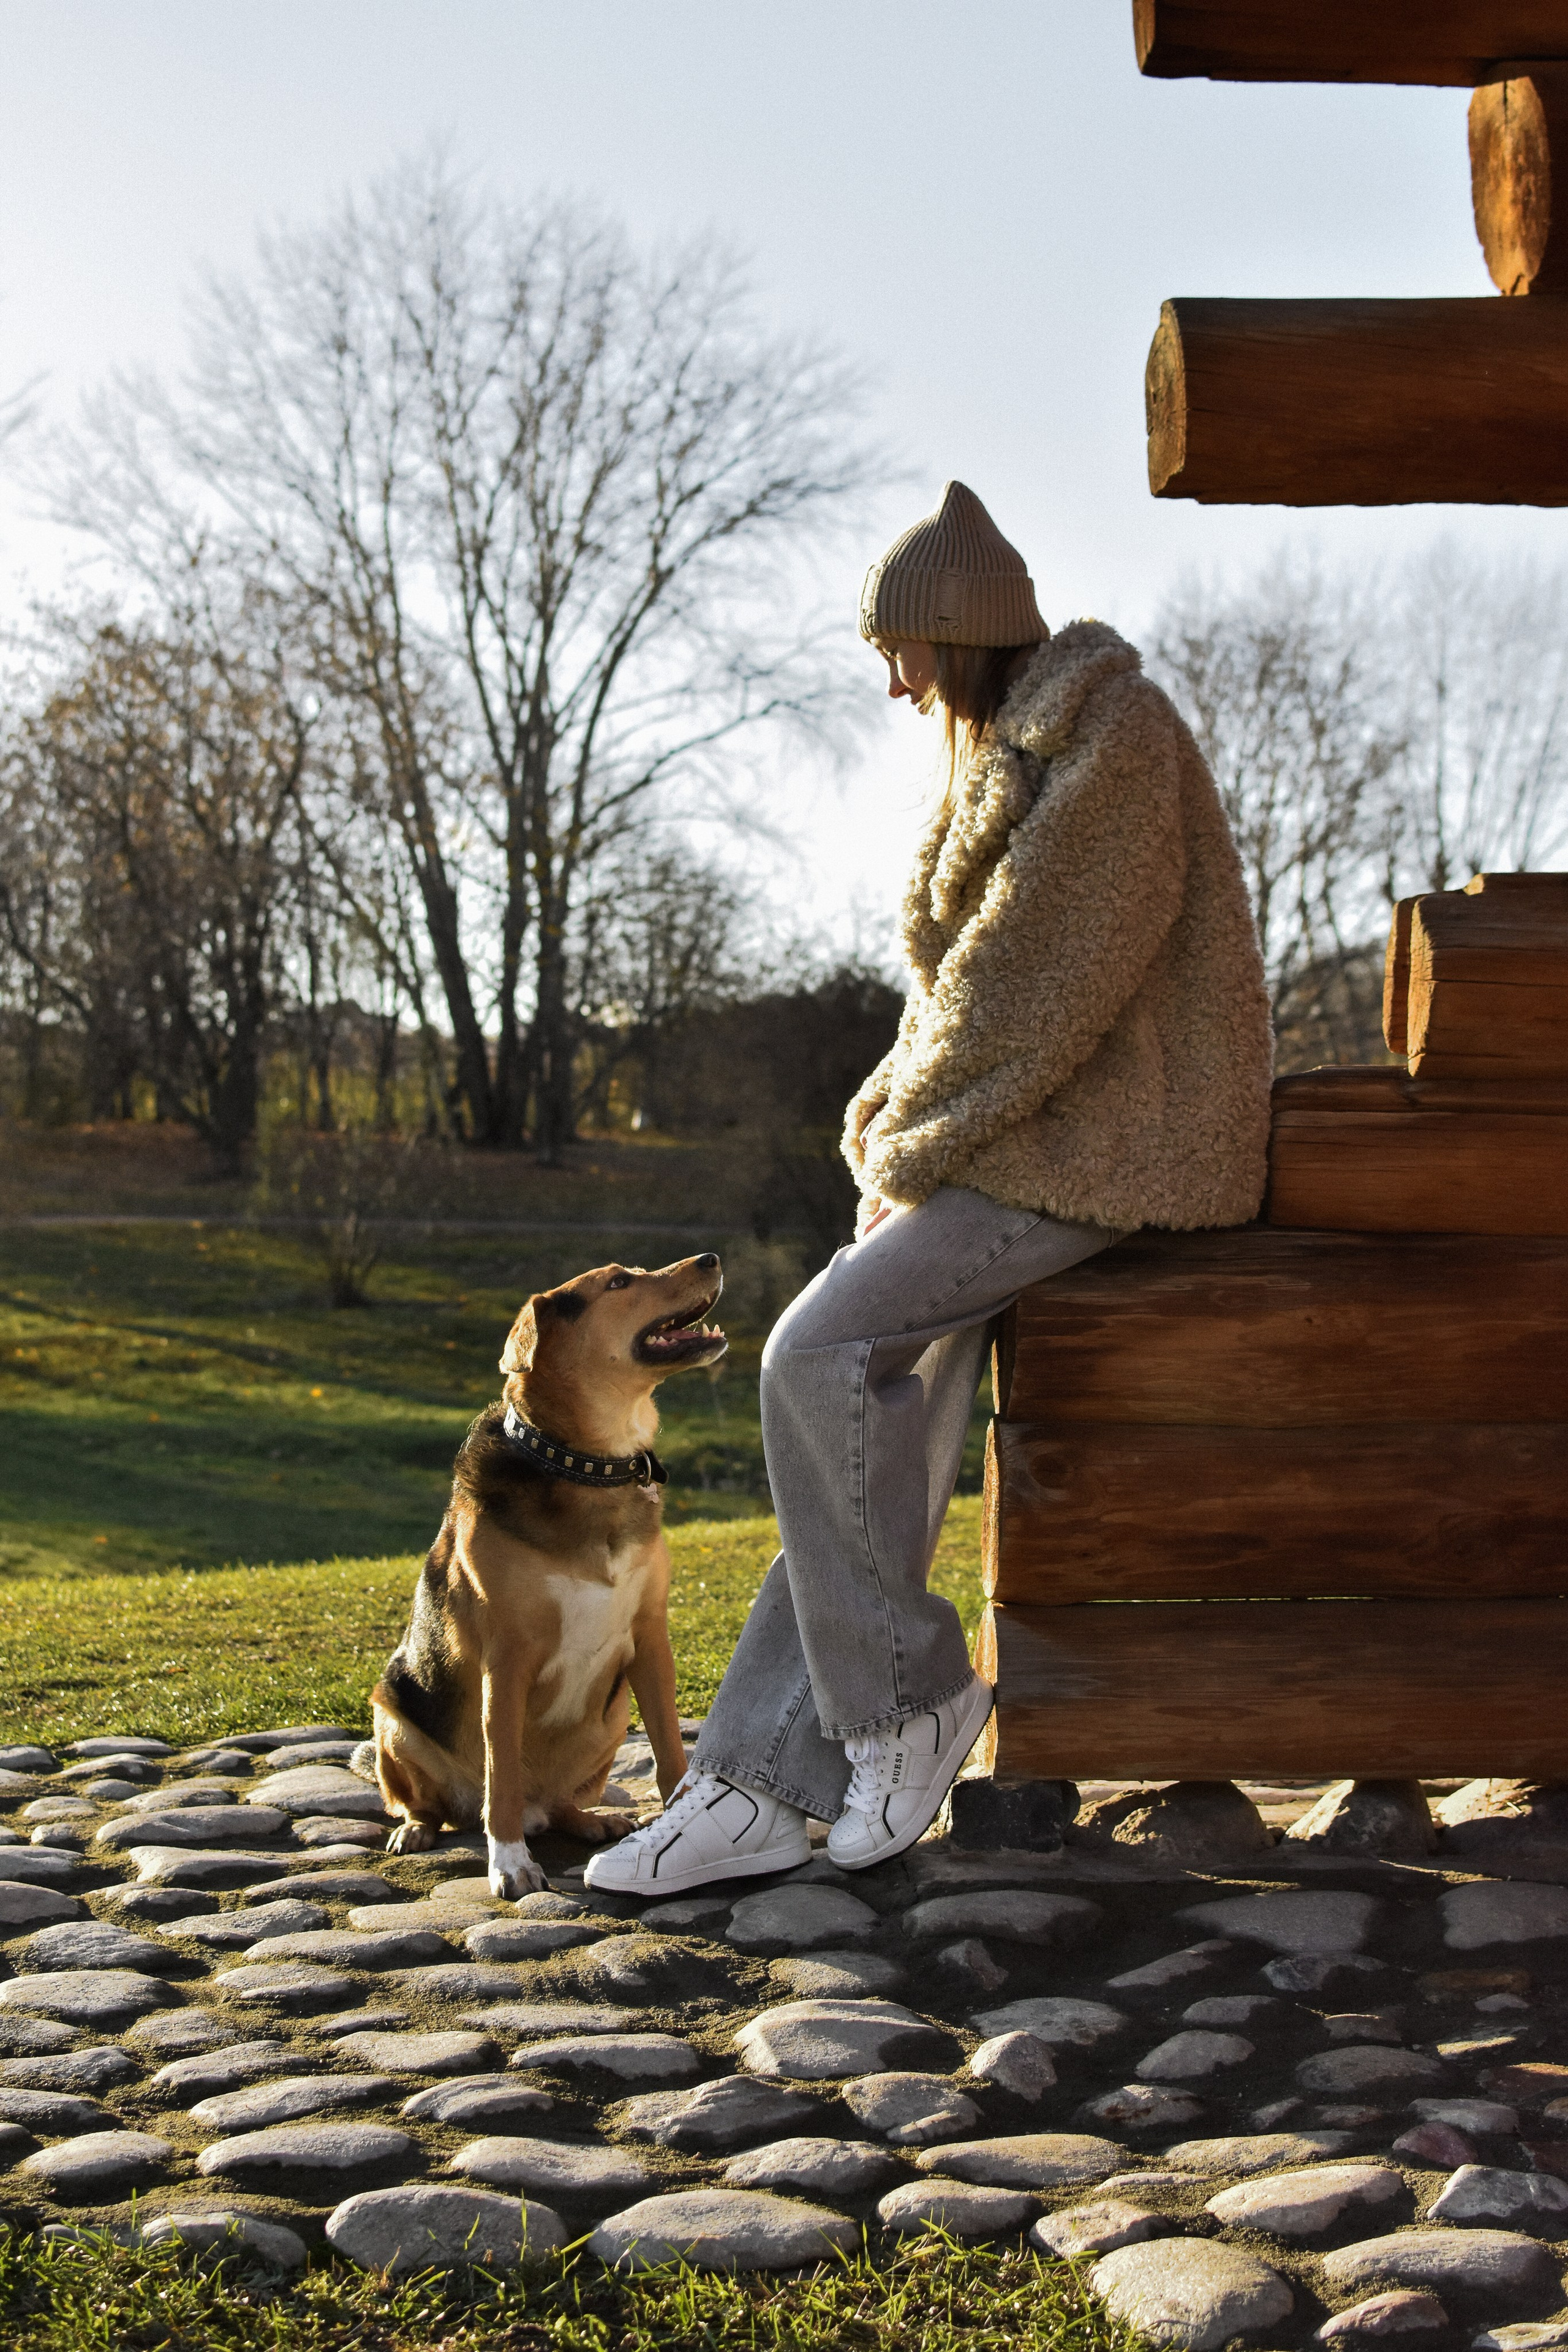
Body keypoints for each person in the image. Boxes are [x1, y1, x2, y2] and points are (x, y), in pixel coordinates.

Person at [586, 480, 1273, 1896]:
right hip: (1026, 1135)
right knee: (869, 1425)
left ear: (955, 635)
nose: (892, 684)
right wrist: (895, 1124)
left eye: (898, 653)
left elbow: (1033, 981)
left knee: (811, 1350)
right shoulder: (1016, 746)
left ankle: (911, 1707)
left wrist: (908, 1149)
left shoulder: (1111, 738)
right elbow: (961, 992)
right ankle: (758, 1789)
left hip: (1112, 1146)